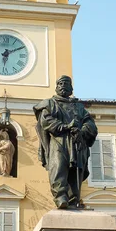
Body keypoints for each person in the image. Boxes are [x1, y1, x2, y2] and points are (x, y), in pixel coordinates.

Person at [34, 75, 98, 208]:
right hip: (59, 141)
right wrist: (65, 127)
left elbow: (90, 123)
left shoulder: (79, 107)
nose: (63, 86)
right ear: (56, 87)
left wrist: (83, 131)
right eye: (60, 84)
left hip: (77, 141)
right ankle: (61, 197)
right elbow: (46, 121)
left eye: (66, 84)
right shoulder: (49, 104)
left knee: (76, 170)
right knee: (59, 167)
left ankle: (73, 199)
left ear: (71, 88)